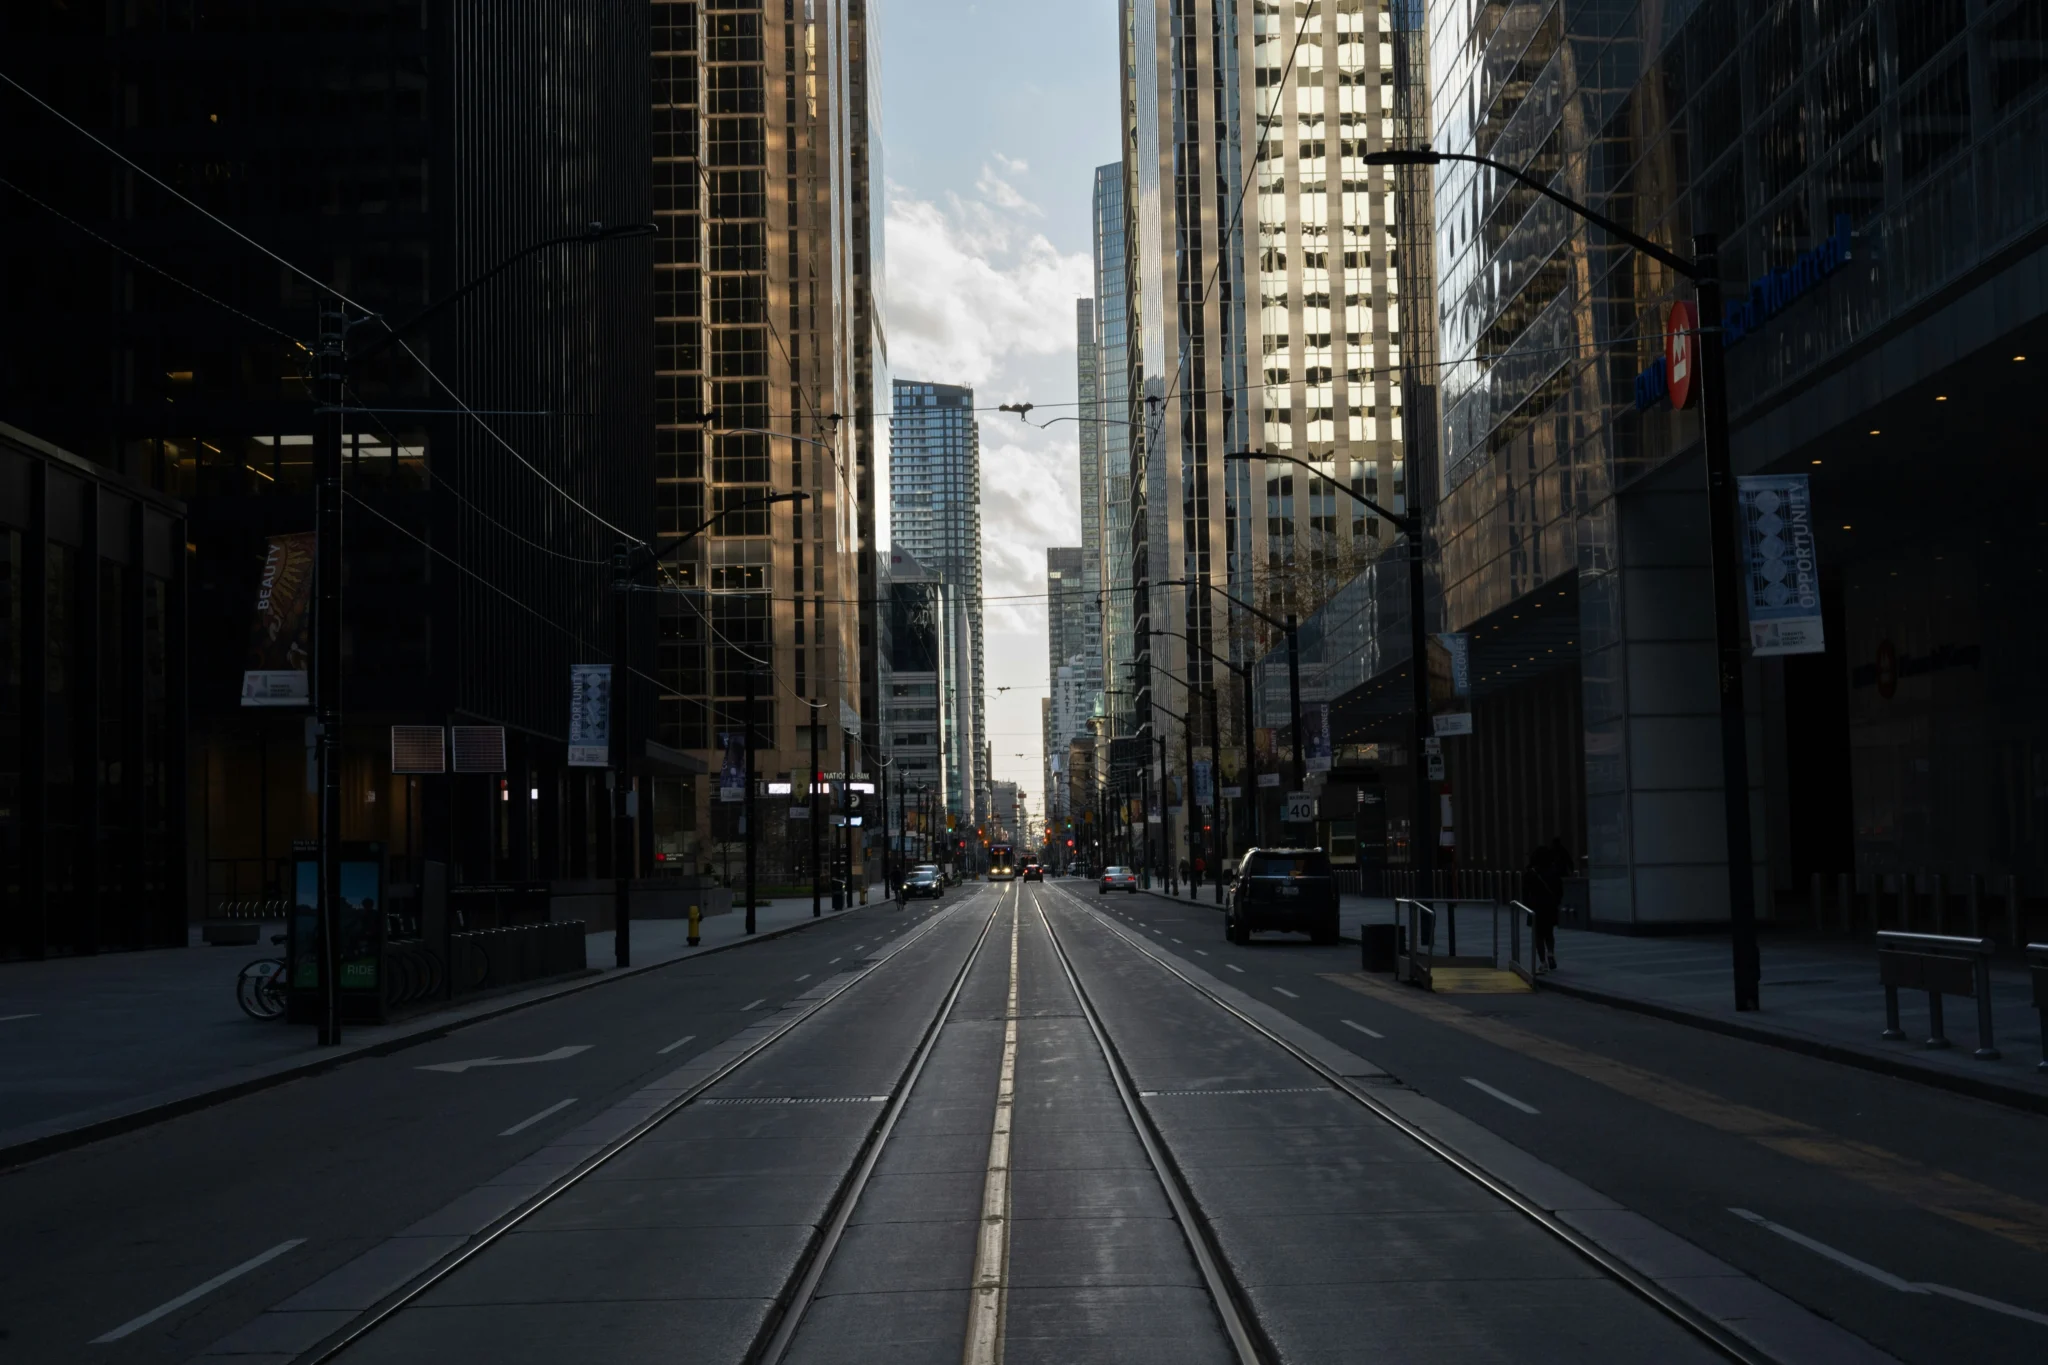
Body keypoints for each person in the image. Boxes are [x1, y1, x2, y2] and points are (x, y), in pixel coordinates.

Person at [1524, 836, 1571, 972]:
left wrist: (1527, 905)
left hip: (1536, 907)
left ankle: (1543, 962)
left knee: (1538, 935)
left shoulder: (1531, 873)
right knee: (1549, 932)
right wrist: (1556, 902)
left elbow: (1525, 892)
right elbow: (1560, 891)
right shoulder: (1553, 872)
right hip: (1550, 906)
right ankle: (1550, 953)